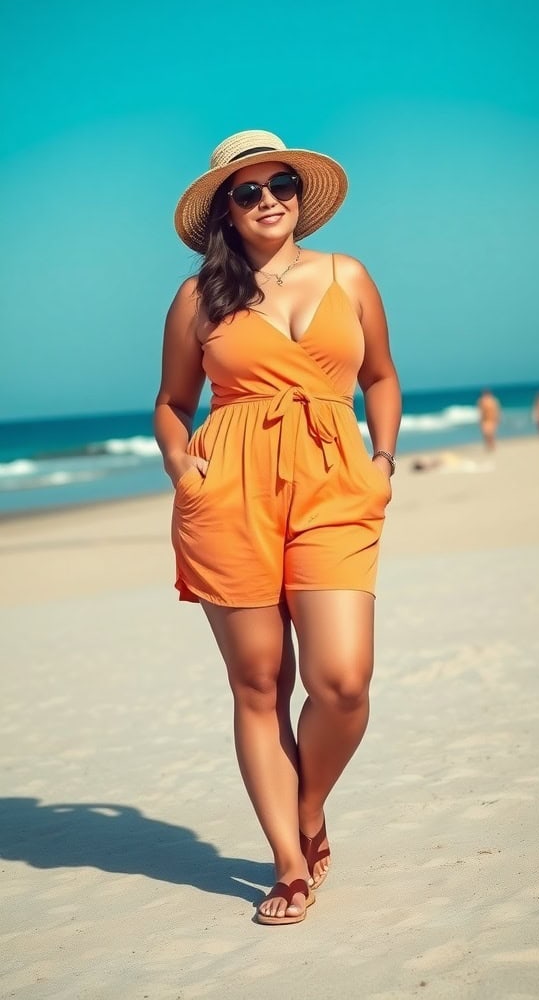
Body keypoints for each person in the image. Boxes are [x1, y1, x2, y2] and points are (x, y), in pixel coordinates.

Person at [154, 130, 401, 926]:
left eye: (281, 183)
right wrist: (180, 467)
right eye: (248, 191)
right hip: (230, 491)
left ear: (300, 192)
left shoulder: (347, 275)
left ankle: (309, 804)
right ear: (225, 209)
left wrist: (384, 459)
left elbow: (381, 376)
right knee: (259, 683)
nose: (269, 200)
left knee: (343, 682)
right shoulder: (198, 300)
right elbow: (171, 404)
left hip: (334, 481)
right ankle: (290, 864)